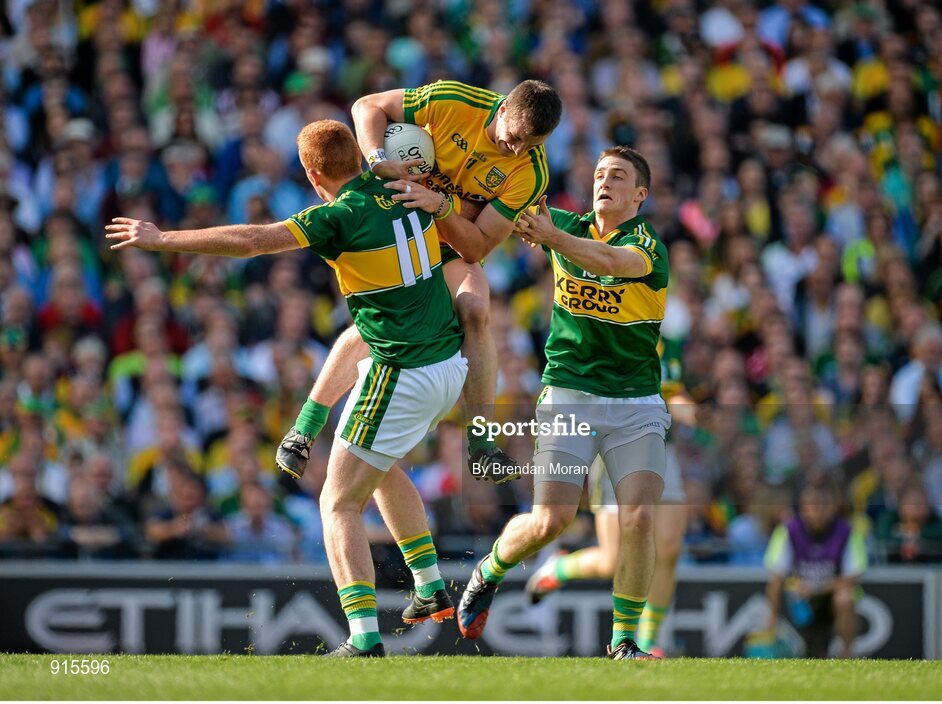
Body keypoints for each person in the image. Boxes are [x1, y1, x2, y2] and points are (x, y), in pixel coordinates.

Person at [107, 119, 468, 657]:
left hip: (403, 373)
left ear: (311, 172)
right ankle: (431, 584)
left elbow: (254, 240)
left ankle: (364, 639)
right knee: (380, 463)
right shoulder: (396, 183)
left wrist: (163, 238)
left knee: (337, 501)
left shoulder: (338, 215)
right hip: (450, 364)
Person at [274, 79, 561, 484]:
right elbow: (366, 104)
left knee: (477, 310)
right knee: (380, 321)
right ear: (503, 110)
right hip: (395, 223)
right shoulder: (455, 101)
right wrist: (377, 159)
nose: (518, 150)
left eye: (531, 145)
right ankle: (304, 429)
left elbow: (477, 247)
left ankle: (481, 444)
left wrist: (441, 206)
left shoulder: (531, 173)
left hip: (447, 242)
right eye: (515, 138)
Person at [456, 147, 672, 660]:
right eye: (600, 174)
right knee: (550, 521)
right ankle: (490, 569)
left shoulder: (647, 246)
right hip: (570, 397)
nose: (606, 181)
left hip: (635, 402)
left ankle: (624, 641)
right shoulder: (564, 224)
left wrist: (551, 236)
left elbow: (610, 261)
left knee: (638, 517)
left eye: (618, 176)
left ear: (640, 194)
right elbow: (494, 211)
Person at [524, 396, 688, 657]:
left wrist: (687, 407)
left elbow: (673, 389)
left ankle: (649, 641)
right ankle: (559, 568)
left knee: (669, 547)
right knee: (614, 560)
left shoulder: (669, 352)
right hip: (616, 446)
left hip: (660, 446)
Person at [763, 483, 867, 658]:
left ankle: (847, 656)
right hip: (799, 598)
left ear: (833, 507)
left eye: (823, 505)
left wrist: (817, 589)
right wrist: (771, 616)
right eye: (813, 505)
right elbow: (776, 577)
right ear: (803, 507)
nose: (818, 511)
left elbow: (853, 576)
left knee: (845, 598)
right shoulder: (788, 531)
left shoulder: (847, 532)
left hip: (830, 597)